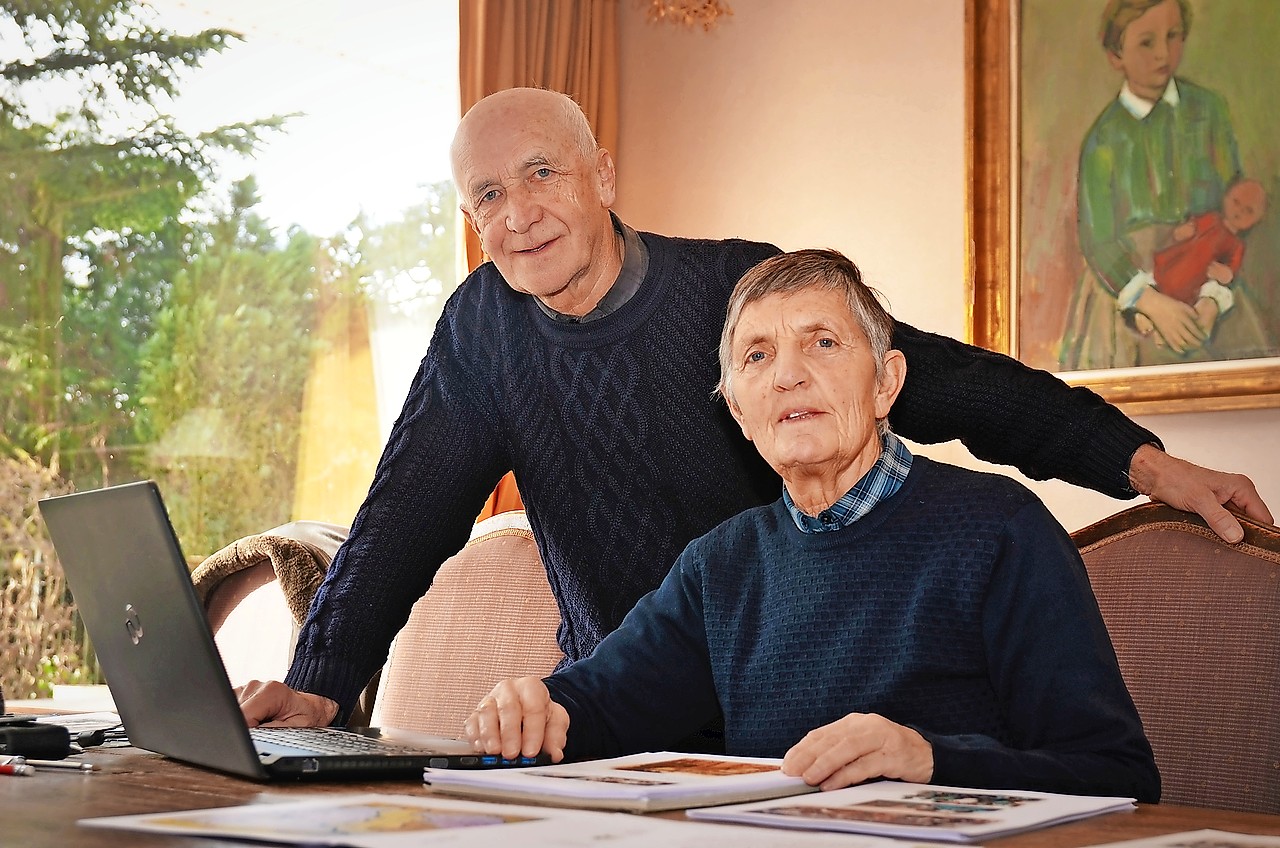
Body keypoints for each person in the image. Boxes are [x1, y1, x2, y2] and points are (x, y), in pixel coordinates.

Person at [236, 86, 1270, 730]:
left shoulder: (737, 294)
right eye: (486, 198)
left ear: (602, 174)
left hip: (789, 702)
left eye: (540, 174)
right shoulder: (482, 329)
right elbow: (404, 508)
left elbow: (948, 379)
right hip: (624, 718)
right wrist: (319, 679)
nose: (517, 215)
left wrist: (1141, 462)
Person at [464, 249, 1160, 802]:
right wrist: (536, 706)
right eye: (757, 356)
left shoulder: (1001, 530)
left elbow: (1118, 774)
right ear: (739, 410)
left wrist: (930, 759)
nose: (787, 376)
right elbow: (603, 703)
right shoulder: (721, 564)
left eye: (822, 342)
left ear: (886, 383)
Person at [1062, 0, 1273, 368]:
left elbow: (1235, 213)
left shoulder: (1208, 111)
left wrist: (1211, 299)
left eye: (1173, 36)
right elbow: (1097, 239)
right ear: (1116, 55)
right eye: (1146, 42)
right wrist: (1151, 302)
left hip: (1207, 272)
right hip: (1130, 285)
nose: (1163, 53)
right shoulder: (1104, 139)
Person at [1133, 178, 1267, 342]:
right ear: (1226, 197)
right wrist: (1181, 232)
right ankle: (1141, 317)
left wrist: (1225, 274)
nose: (1238, 211)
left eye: (1248, 211)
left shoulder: (1237, 245)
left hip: (1196, 279)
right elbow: (1188, 228)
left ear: (1256, 220)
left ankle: (1157, 329)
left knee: (1184, 308)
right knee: (1157, 283)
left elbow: (1232, 271)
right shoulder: (1211, 218)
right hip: (1178, 263)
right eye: (1236, 202)